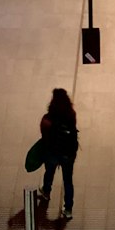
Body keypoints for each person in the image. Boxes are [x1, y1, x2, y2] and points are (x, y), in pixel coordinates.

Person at [38, 87, 79, 220]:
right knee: (68, 181)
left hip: (53, 152)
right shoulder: (71, 114)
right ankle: (68, 209)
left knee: (49, 172)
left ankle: (46, 191)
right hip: (68, 153)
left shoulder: (48, 118)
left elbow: (44, 135)